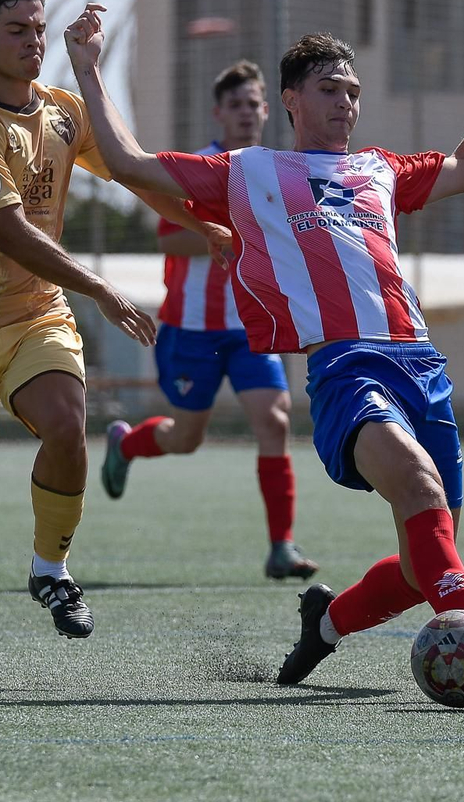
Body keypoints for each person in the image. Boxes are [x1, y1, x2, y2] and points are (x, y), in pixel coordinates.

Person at [65, 3, 464, 703]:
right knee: (418, 491)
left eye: (353, 91)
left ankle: (325, 624)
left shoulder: (379, 169)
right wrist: (87, 68)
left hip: (421, 366)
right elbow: (128, 163)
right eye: (330, 88)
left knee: (424, 563)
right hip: (348, 370)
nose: (346, 102)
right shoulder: (249, 170)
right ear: (291, 100)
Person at [0, 0, 230, 683]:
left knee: (68, 421)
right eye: (17, 30)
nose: (33, 41)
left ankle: (50, 569)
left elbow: (137, 173)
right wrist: (102, 287)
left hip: (37, 314)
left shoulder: (64, 111)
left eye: (39, 27)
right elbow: (11, 234)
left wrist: (207, 226)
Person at [99, 60, 319, 582]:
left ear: (268, 111)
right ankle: (126, 443)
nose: (246, 114)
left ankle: (281, 547)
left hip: (251, 329)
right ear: (218, 113)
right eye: (235, 105)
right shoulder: (197, 166)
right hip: (192, 328)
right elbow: (169, 238)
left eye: (254, 105)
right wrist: (232, 229)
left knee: (276, 421)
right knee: (187, 438)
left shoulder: (276, 169)